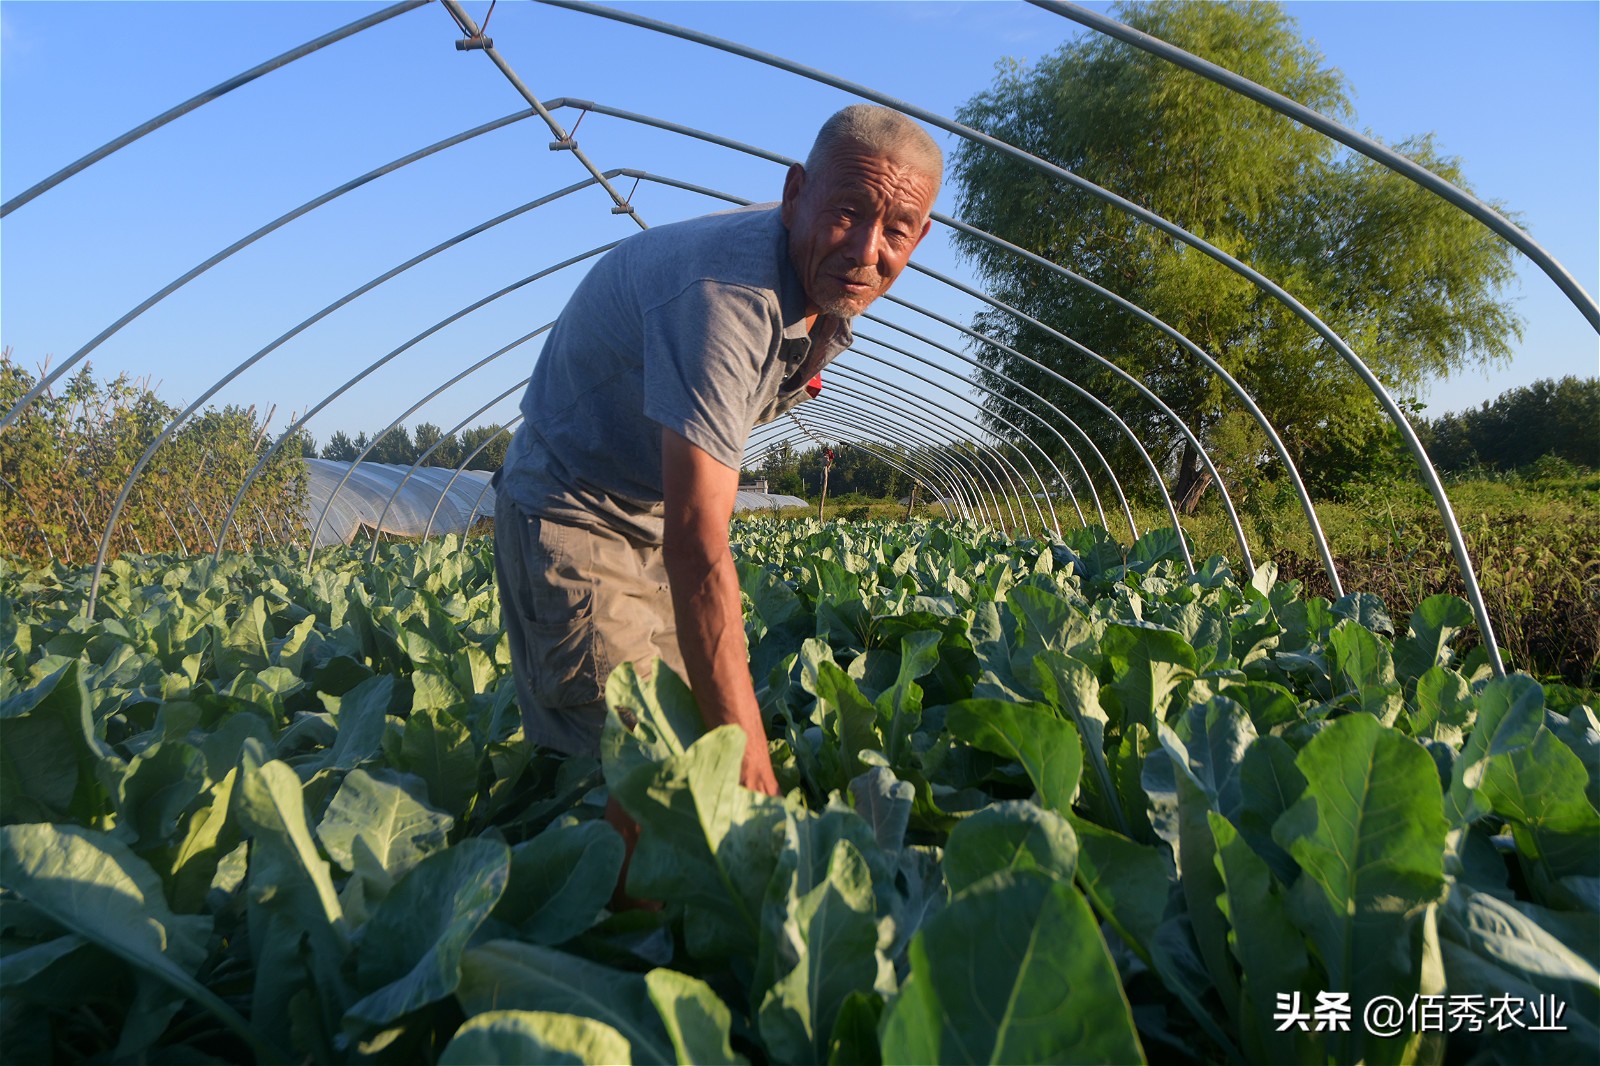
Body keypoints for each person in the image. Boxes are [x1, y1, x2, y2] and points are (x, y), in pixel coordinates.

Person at [493, 105, 942, 808]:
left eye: (896, 229)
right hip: (573, 507)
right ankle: (615, 912)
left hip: (648, 512)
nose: (866, 249)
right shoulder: (727, 298)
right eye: (847, 212)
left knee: (693, 753)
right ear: (795, 196)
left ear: (922, 235)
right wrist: (751, 752)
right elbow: (701, 545)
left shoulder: (820, 282)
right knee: (651, 768)